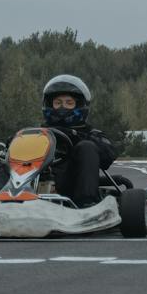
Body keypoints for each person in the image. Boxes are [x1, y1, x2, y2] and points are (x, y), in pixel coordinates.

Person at [40, 73, 116, 207]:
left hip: (71, 187)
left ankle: (86, 203)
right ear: (50, 105)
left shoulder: (90, 134)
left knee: (86, 147)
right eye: (58, 103)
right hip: (36, 180)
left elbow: (108, 156)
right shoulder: (40, 134)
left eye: (69, 103)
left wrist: (76, 136)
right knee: (6, 157)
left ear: (80, 105)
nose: (62, 107)